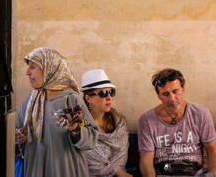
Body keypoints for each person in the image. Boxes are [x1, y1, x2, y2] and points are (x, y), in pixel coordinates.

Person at [15, 46, 98, 176]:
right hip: (36, 170)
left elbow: (91, 139)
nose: (27, 72)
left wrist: (75, 129)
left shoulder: (71, 100)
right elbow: (17, 134)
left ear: (49, 69)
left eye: (33, 66)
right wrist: (17, 138)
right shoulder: (30, 101)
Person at [137, 68, 216, 177]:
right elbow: (146, 160)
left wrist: (210, 176)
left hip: (194, 172)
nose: (172, 98)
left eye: (175, 91)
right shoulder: (146, 120)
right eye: (165, 94)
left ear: (183, 89)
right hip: (163, 172)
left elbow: (213, 151)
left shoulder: (201, 114)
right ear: (158, 96)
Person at [81, 69, 132, 177]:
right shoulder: (80, 127)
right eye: (103, 93)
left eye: (111, 92)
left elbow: (121, 156)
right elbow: (90, 163)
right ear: (88, 98)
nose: (109, 97)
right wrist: (116, 172)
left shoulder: (119, 122)